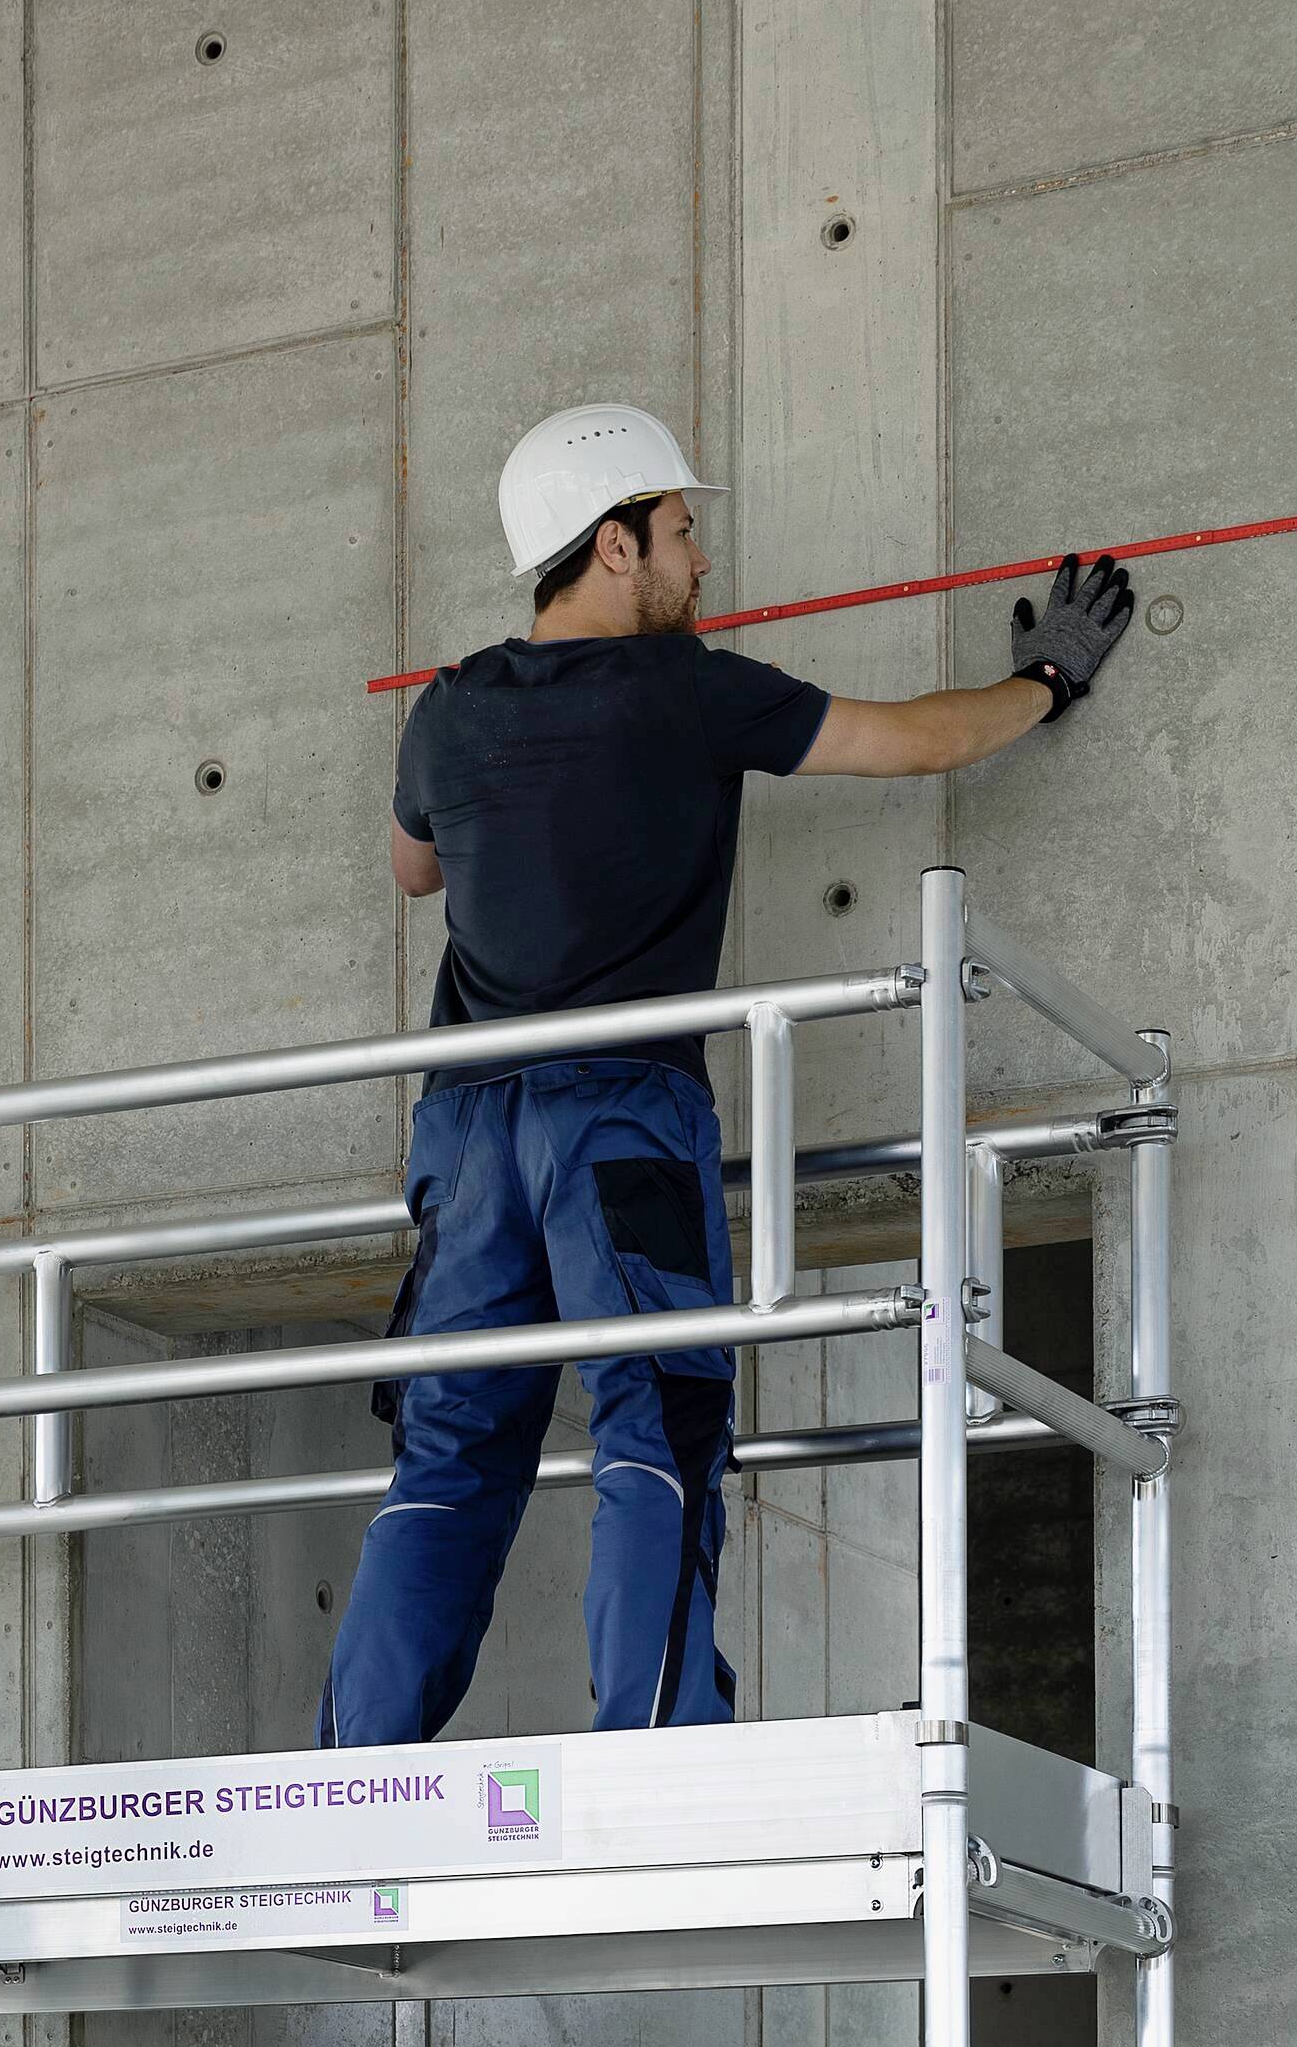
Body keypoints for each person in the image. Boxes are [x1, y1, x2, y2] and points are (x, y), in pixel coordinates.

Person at [316, 398, 1134, 1747]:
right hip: (617, 1120)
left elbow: (414, 869)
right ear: (615, 545)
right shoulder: (690, 690)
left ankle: (358, 1768)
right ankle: (650, 1748)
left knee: (450, 1455)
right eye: (685, 534)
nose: (702, 562)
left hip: (463, 1131)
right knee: (658, 1426)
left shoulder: (449, 712)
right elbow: (917, 739)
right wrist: (1045, 683)